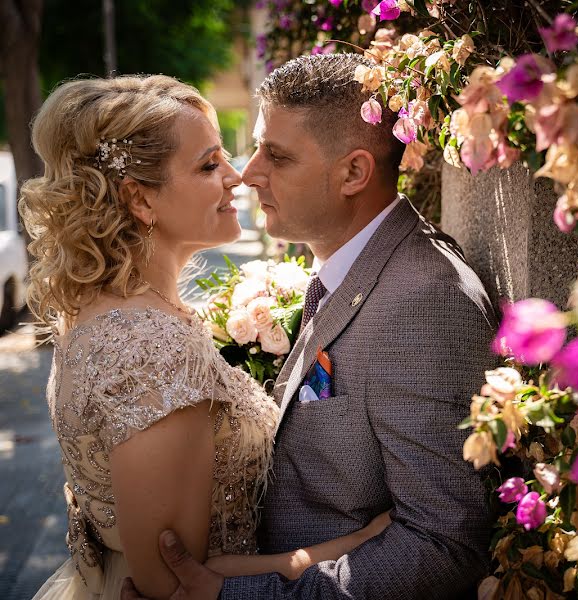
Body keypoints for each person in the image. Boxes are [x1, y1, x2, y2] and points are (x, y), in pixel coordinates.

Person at [122, 53, 498, 599]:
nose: (248, 173)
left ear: (353, 173)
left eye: (276, 155)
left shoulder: (424, 300)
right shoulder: (346, 264)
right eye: (255, 146)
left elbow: (444, 546)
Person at [21, 75, 390, 600]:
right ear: (139, 199)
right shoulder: (150, 348)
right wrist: (349, 547)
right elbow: (171, 581)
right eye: (208, 164)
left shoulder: (112, 312)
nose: (236, 177)